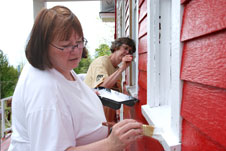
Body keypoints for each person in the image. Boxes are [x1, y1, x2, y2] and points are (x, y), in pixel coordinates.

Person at [8, 6, 143, 151]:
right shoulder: (44, 91)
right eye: (66, 46)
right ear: (43, 46)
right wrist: (111, 143)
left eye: (79, 42)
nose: (77, 51)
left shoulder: (59, 66)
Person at [84, 37, 136, 122]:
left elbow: (114, 97)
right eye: (125, 48)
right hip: (91, 116)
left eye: (130, 51)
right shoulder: (101, 62)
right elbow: (102, 87)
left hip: (105, 120)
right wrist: (122, 69)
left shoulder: (117, 71)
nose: (127, 52)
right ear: (116, 47)